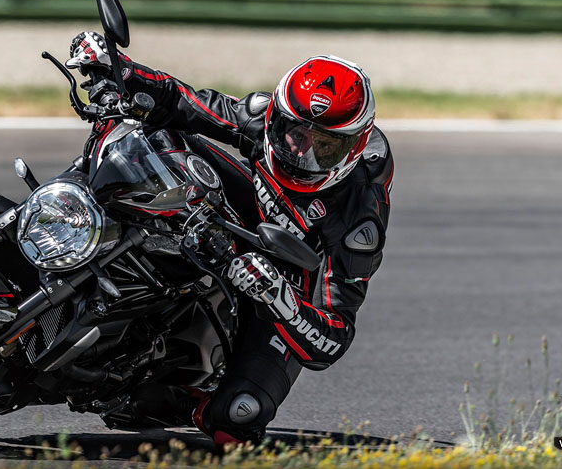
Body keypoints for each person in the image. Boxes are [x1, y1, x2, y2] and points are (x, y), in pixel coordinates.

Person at [67, 32, 394, 447]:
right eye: (295, 133)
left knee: (238, 417)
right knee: (150, 140)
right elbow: (182, 99)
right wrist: (116, 68)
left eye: (325, 146)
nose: (302, 154)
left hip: (281, 278)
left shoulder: (358, 218)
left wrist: (278, 296)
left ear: (352, 148)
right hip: (241, 210)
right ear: (277, 116)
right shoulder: (266, 119)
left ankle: (168, 396)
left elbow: (333, 337)